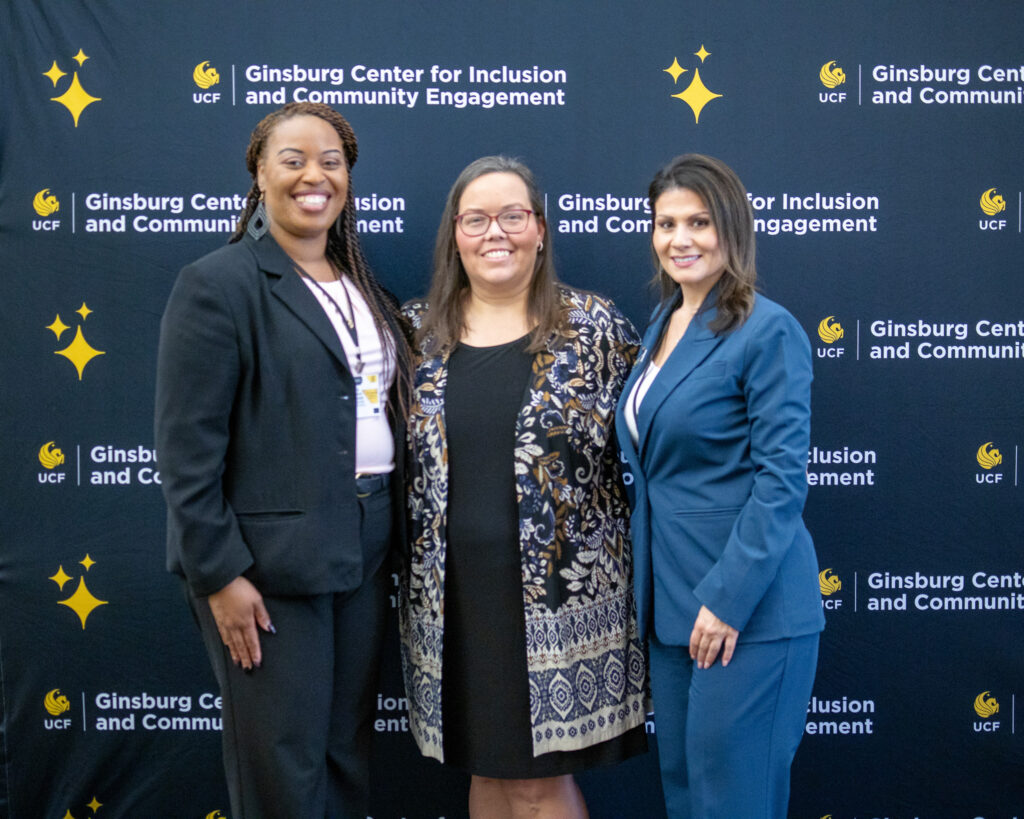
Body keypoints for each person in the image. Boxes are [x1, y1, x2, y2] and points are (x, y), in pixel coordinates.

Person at [155, 102, 412, 819]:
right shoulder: (220, 283)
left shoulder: (361, 283)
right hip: (266, 564)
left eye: (331, 160)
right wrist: (220, 574)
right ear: (259, 173)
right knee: (282, 762)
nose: (314, 175)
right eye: (293, 158)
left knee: (342, 751)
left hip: (364, 540)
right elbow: (186, 450)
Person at [401, 156, 647, 818]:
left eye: (513, 215)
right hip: (453, 601)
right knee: (486, 773)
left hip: (561, 604)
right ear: (455, 233)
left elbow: (655, 448)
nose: (495, 232)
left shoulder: (594, 326)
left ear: (540, 227)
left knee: (540, 785)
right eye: (476, 218)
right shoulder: (416, 333)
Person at [616, 154, 824, 818]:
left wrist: (728, 599)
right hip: (673, 611)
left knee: (733, 803)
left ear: (732, 226)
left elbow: (781, 482)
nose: (681, 238)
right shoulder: (663, 326)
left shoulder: (768, 329)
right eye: (666, 222)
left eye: (699, 221)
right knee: (689, 797)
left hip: (746, 615)